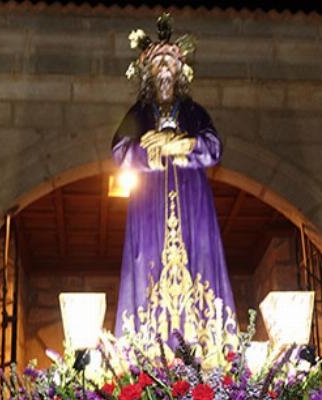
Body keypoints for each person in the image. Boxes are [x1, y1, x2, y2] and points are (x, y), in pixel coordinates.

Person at [112, 14, 236, 351]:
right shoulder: (138, 114)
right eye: (158, 61)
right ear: (148, 72)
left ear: (181, 70)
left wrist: (186, 144)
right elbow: (120, 151)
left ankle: (205, 344)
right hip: (149, 204)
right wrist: (149, 151)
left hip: (193, 200)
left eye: (171, 60)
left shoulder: (195, 112)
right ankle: (147, 345)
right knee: (147, 262)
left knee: (200, 257)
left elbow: (213, 147)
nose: (165, 66)